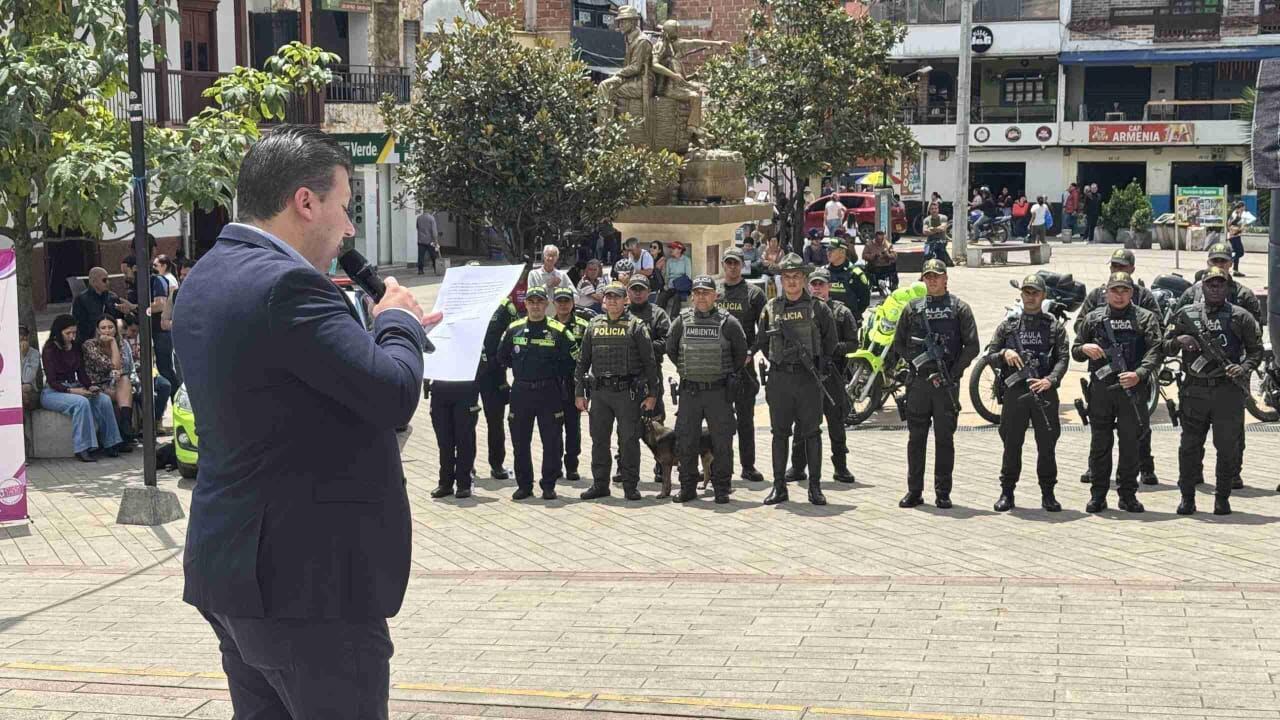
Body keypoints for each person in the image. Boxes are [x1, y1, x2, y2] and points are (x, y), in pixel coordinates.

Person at [172, 125, 435, 719]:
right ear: (305, 201)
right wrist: (398, 322)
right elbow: (393, 394)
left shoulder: (209, 275)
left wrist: (379, 339)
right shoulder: (289, 285)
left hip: (238, 572)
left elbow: (298, 388)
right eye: (344, 208)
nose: (348, 229)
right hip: (308, 586)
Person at [1164, 267, 1264, 516]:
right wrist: (1179, 341)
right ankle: (1187, 498)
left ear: (1228, 287)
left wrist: (1242, 368)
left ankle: (1222, 497)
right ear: (1202, 287)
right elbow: (1163, 345)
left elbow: (1256, 351)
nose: (1215, 288)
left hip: (1226, 392)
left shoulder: (1241, 317)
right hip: (1194, 391)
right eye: (1210, 284)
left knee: (1227, 447)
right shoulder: (1186, 314)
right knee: (1189, 446)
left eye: (1221, 284)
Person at [1072, 271, 1163, 514]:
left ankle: (1127, 495)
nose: (1120, 295)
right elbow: (1075, 350)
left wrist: (1140, 374)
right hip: (1102, 391)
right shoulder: (1092, 318)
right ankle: (1098, 495)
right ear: (1107, 292)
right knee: (1100, 444)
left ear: (1132, 293)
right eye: (1115, 290)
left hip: (1132, 390)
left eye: (1124, 290)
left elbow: (1156, 350)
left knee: (1130, 445)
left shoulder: (1145, 318)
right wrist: (1084, 348)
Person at [893, 260, 980, 509]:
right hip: (919, 384)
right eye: (928, 276)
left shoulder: (959, 308)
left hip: (946, 385)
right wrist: (916, 362)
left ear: (945, 279)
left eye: (936, 276)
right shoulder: (912, 308)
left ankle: (943, 492)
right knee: (916, 439)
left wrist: (953, 373)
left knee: (944, 440)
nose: (932, 280)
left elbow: (972, 345)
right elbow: (899, 343)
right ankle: (914, 491)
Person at [755, 254, 837, 506]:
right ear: (781, 279)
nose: (791, 282)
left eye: (796, 277)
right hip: (780, 378)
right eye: (787, 277)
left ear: (804, 278)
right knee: (779, 434)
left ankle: (814, 487)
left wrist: (817, 367)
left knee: (812, 433)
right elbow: (761, 341)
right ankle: (779, 486)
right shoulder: (770, 308)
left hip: (807, 378)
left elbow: (830, 342)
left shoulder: (818, 308)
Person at [984, 274, 1069, 512]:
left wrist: (1050, 380)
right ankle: (1007, 492)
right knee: (1011, 444)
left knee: (1047, 445)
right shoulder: (1009, 326)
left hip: (1044, 392)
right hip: (1015, 393)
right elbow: (990, 355)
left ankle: (1048, 493)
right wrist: (1004, 355)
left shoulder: (1054, 326)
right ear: (1021, 294)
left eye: (1035, 293)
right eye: (1027, 292)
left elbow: (1063, 358)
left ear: (1043, 296)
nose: (1030, 297)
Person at [665, 275, 749, 504]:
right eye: (698, 292)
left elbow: (740, 354)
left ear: (715, 296)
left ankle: (722, 487)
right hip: (690, 392)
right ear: (693, 296)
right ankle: (688, 487)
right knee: (686, 441)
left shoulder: (728, 322)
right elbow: (671, 349)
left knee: (722, 442)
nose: (701, 297)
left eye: (706, 292)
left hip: (718, 392)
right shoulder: (681, 321)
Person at [575, 282, 659, 501]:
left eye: (617, 297)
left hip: (627, 393)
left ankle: (630, 485)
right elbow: (582, 362)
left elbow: (650, 363)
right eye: (608, 297)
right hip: (600, 393)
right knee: (599, 440)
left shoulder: (636, 326)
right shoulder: (593, 325)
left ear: (626, 300)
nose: (612, 301)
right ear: (604, 301)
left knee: (629, 440)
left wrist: (652, 395)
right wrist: (579, 393)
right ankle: (600, 484)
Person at [498, 286, 577, 501]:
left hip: (549, 392)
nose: (535, 306)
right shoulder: (513, 329)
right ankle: (524, 485)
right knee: (520, 441)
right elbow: (502, 357)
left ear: (546, 304)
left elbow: (572, 362)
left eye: (539, 302)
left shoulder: (559, 331)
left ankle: (549, 485)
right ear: (525, 304)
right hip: (521, 392)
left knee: (552, 442)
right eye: (531, 301)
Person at [785, 268, 858, 486]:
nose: (817, 288)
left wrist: (830, 349)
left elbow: (853, 343)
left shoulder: (841, 312)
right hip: (806, 375)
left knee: (836, 422)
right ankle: (798, 467)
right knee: (802, 423)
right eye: (814, 284)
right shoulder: (800, 310)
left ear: (829, 287)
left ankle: (840, 466)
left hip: (832, 374)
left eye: (821, 284)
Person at [40, 314, 124, 462]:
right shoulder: (49, 349)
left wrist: (90, 387)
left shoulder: (76, 346)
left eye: (74, 332)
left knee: (103, 399)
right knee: (81, 403)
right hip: (54, 392)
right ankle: (83, 448)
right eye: (68, 333)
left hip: (75, 386)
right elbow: (52, 381)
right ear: (58, 332)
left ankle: (111, 442)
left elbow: (82, 373)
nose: (72, 336)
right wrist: (73, 391)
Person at [716, 247, 768, 484]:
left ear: (742, 265)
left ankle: (748, 466)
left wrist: (752, 352)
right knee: (719, 421)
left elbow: (765, 330)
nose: (732, 267)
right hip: (718, 366)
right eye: (728, 263)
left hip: (744, 366)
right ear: (723, 265)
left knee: (746, 419)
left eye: (736, 263)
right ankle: (718, 466)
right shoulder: (713, 292)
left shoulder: (754, 294)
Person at [121, 254, 178, 405]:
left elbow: (160, 305)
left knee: (165, 369)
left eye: (125, 272)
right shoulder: (135, 286)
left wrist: (135, 307)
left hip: (160, 331)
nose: (124, 276)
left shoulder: (156, 280)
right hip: (145, 332)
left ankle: (178, 405)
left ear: (134, 268)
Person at [553, 286, 593, 482]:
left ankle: (571, 466)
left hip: (573, 383)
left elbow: (590, 356)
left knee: (572, 427)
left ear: (572, 303)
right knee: (553, 427)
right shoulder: (548, 325)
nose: (563, 305)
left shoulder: (583, 326)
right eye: (559, 301)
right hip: (552, 384)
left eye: (566, 301)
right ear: (554, 304)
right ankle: (555, 464)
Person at [478, 294, 518, 482]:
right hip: (467, 372)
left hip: (494, 372)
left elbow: (515, 332)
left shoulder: (504, 305)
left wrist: (501, 360)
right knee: (464, 422)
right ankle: (466, 466)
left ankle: (497, 465)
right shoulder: (460, 300)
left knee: (495, 420)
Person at [426, 367, 480, 500]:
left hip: (465, 388)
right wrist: (426, 380)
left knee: (464, 439)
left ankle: (464, 484)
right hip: (440, 389)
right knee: (444, 442)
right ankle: (445, 483)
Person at [81, 315, 137, 445]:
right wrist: (112, 343)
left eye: (110, 327)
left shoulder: (122, 343)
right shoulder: (89, 345)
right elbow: (112, 365)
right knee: (121, 394)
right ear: (98, 330)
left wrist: (119, 372)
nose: (107, 331)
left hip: (117, 382)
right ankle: (125, 434)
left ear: (115, 329)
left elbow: (123, 367)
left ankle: (125, 425)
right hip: (97, 385)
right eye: (103, 328)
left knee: (124, 380)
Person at [121, 315, 172, 429]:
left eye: (137, 331)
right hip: (132, 375)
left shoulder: (145, 338)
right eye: (132, 330)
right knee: (143, 394)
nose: (135, 334)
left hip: (148, 373)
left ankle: (156, 419)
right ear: (126, 328)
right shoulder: (122, 342)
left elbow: (152, 357)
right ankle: (147, 423)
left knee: (165, 386)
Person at [823, 236, 871, 324]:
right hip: (827, 322)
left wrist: (853, 315)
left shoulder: (855, 274)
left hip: (848, 323)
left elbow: (865, 300)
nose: (828, 253)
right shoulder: (823, 272)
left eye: (832, 250)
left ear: (842, 252)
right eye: (827, 250)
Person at [72, 267, 122, 347]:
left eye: (108, 279)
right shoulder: (81, 299)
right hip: (90, 342)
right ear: (93, 282)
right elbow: (78, 324)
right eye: (104, 280)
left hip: (111, 341)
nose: (107, 283)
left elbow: (119, 319)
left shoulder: (113, 297)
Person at [658, 241, 692, 316]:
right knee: (662, 296)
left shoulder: (686, 260)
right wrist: (666, 285)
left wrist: (678, 283)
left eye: (673, 248)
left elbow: (688, 276)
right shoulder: (669, 261)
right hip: (671, 286)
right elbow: (667, 275)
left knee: (677, 298)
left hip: (682, 286)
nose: (671, 250)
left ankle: (673, 318)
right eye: (671, 248)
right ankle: (660, 317)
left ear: (680, 250)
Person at [19, 325, 42, 412]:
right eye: (20, 334)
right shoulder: (8, 352)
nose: (23, 337)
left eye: (25, 334)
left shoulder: (34, 353)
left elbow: (27, 378)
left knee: (25, 388)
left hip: (30, 391)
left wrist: (23, 356)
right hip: (14, 388)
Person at [922, 202, 952, 266]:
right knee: (926, 255)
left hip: (941, 240)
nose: (934, 210)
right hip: (930, 241)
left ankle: (946, 261)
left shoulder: (943, 217)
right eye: (932, 209)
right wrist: (937, 230)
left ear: (938, 209)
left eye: (936, 208)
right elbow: (924, 231)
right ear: (929, 210)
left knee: (940, 255)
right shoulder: (926, 220)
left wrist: (931, 229)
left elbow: (943, 228)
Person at [416, 210, 441, 275]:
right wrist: (436, 241)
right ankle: (436, 269)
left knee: (421, 256)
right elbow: (434, 231)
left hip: (421, 240)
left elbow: (417, 227)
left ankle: (420, 270)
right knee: (433, 256)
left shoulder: (419, 218)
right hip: (430, 241)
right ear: (430, 211)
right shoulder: (431, 218)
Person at [1226, 201, 1247, 276]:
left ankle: (1235, 269)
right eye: (1243, 207)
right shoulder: (1235, 215)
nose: (1244, 209)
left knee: (1237, 252)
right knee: (1240, 252)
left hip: (1236, 236)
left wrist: (1241, 228)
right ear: (1240, 207)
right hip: (1233, 236)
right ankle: (1229, 261)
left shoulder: (1237, 214)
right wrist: (1239, 228)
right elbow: (1230, 225)